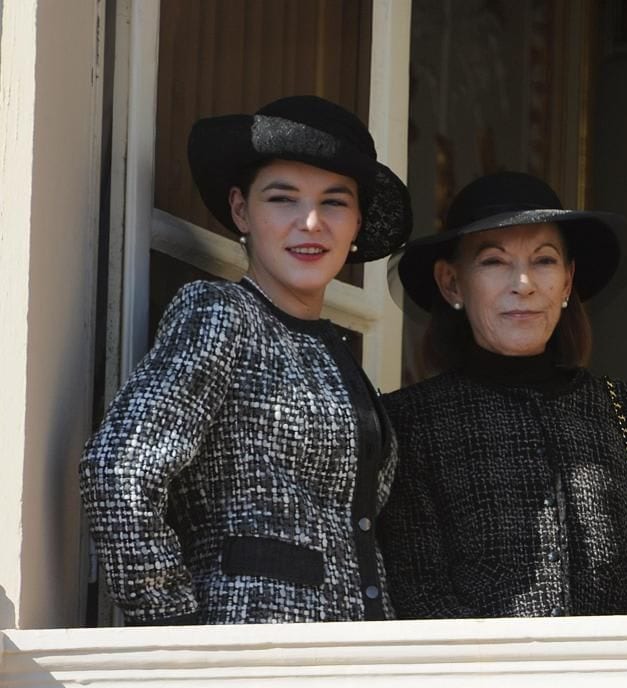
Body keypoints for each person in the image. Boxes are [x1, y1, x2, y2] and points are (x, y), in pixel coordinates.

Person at [79, 95, 413, 625]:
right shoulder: (219, 313)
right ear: (241, 210)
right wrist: (173, 632)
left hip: (355, 656)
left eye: (334, 202)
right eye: (282, 199)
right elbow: (119, 470)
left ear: (356, 223)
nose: (310, 223)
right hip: (248, 651)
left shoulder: (339, 358)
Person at [379, 171, 627, 618]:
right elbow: (418, 590)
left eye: (544, 261)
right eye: (494, 261)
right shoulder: (408, 423)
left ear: (568, 281)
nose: (524, 283)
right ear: (451, 283)